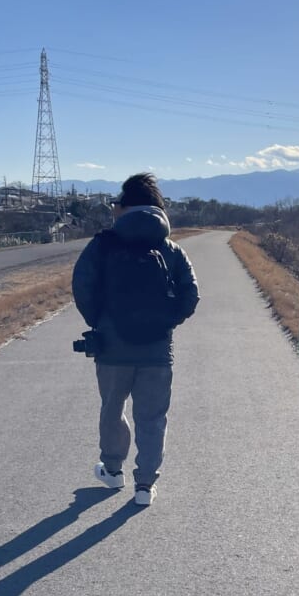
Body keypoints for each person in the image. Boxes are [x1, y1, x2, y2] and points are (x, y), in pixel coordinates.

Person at [72, 173, 199, 505]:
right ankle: (144, 485)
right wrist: (166, 323)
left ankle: (113, 471)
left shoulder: (102, 244)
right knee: (152, 416)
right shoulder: (170, 249)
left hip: (112, 347)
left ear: (123, 207)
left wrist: (99, 321)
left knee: (112, 408)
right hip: (157, 350)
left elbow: (82, 285)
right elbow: (191, 295)